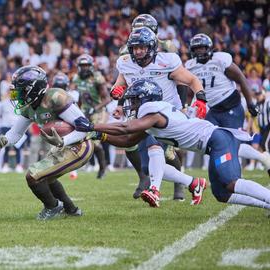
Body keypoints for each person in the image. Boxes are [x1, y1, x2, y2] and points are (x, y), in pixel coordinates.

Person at [76, 80, 270, 212]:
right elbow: (128, 141)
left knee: (230, 181)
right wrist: (100, 135)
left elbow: (127, 128)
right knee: (221, 194)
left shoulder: (152, 112)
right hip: (213, 144)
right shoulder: (151, 119)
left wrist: (92, 125)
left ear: (145, 100)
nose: (130, 105)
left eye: (134, 100)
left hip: (218, 140)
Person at [109, 27, 207, 207]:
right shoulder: (125, 63)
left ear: (152, 47)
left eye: (142, 47)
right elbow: (120, 85)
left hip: (166, 113)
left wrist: (200, 98)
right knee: (148, 167)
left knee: (154, 145)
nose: (138, 51)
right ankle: (193, 183)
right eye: (135, 47)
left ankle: (155, 190)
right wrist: (117, 93)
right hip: (142, 114)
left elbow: (191, 80)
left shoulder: (166, 61)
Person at [0, 66, 91, 220]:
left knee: (33, 176)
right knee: (47, 177)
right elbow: (16, 133)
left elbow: (84, 127)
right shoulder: (29, 105)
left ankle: (52, 207)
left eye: (20, 90)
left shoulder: (55, 97)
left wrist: (63, 140)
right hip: (62, 146)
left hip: (78, 145)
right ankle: (71, 210)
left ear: (33, 89)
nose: (16, 95)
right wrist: (5, 139)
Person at [119, 14, 186, 200]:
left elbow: (180, 78)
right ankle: (143, 177)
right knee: (129, 142)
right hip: (138, 101)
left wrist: (182, 104)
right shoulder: (127, 49)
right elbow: (125, 77)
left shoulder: (167, 47)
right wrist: (119, 102)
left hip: (165, 102)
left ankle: (179, 183)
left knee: (165, 148)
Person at [185, 33, 270, 174]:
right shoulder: (190, 66)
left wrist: (250, 103)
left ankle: (259, 159)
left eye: (202, 48)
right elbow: (189, 90)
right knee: (210, 142)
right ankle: (222, 173)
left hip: (231, 107)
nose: (199, 51)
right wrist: (189, 107)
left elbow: (241, 79)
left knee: (232, 145)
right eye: (196, 48)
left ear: (209, 48)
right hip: (212, 109)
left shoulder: (221, 59)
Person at [72, 54, 109, 179]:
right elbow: (80, 96)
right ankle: (82, 166)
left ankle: (103, 167)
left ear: (91, 66)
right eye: (82, 66)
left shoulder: (97, 77)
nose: (84, 68)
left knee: (95, 142)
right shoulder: (76, 78)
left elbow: (107, 98)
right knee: (80, 139)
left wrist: (95, 108)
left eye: (87, 65)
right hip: (84, 111)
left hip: (98, 111)